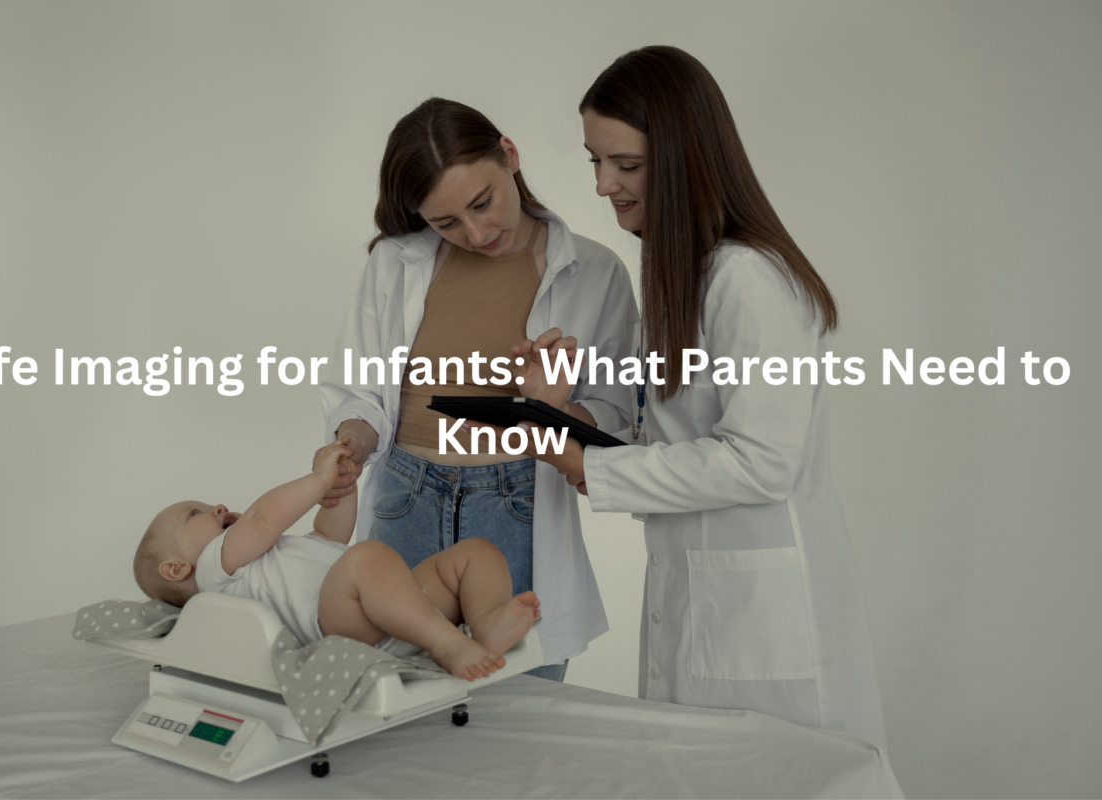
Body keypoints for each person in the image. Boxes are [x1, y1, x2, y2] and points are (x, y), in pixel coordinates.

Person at [507, 46, 889, 753]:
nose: (602, 185)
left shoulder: (746, 278)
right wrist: (558, 418)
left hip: (759, 621)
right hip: (703, 603)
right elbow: (673, 449)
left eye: (625, 164)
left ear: (683, 157)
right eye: (595, 161)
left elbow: (762, 462)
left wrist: (584, 466)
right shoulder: (681, 273)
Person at [318, 98, 639, 680]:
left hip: (515, 507)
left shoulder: (596, 273)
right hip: (404, 501)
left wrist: (555, 406)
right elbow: (359, 394)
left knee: (516, 721)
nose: (475, 232)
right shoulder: (396, 263)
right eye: (446, 223)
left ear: (509, 156)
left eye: (482, 202)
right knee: (391, 710)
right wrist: (350, 447)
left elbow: (618, 420)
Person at [132, 439, 541, 681]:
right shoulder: (214, 571)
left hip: (397, 606)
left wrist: (340, 489)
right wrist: (317, 480)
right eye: (196, 513)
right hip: (342, 624)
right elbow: (264, 517)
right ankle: (447, 643)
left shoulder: (270, 556)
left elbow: (329, 535)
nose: (217, 505)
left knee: (475, 552)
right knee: (366, 556)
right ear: (176, 567)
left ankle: (485, 621)